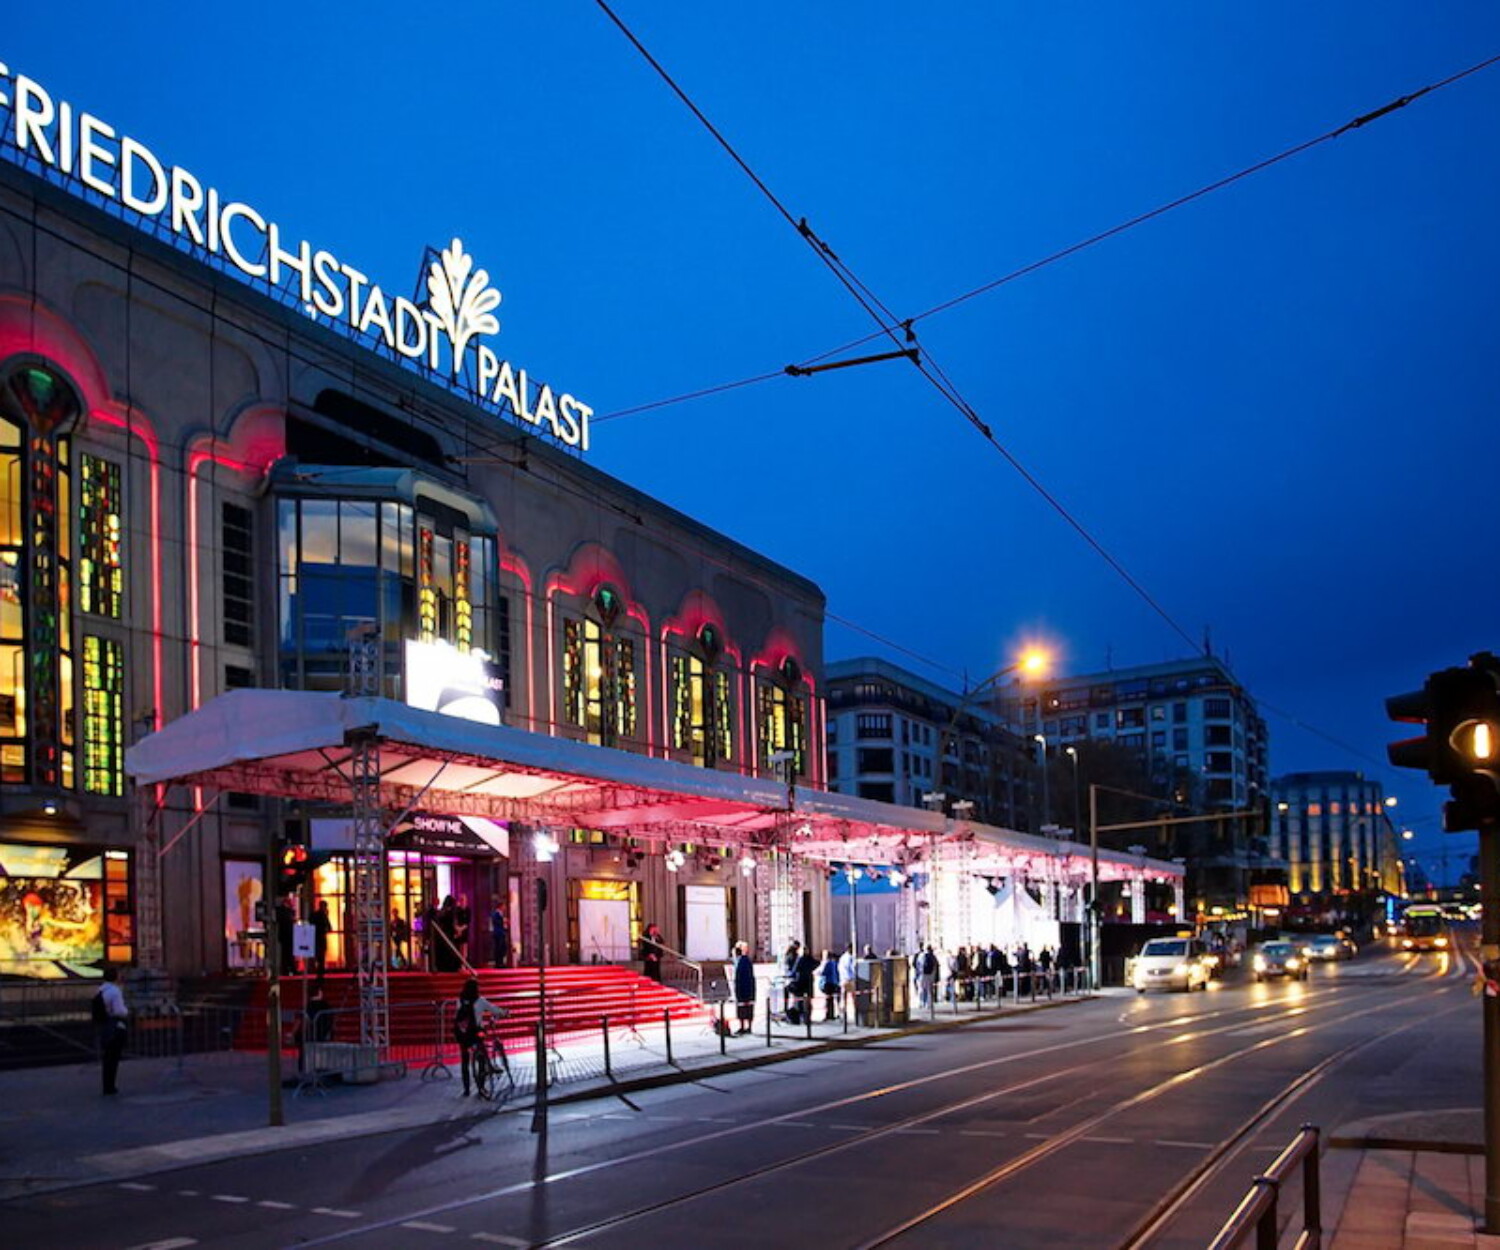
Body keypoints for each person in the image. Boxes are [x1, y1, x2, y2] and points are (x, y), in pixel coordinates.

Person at [453, 976, 507, 1096]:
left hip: (463, 1034)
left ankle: (466, 1089)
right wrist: (504, 1013)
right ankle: (481, 1086)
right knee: (481, 1057)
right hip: (476, 1032)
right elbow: (494, 1009)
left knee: (464, 1061)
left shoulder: (460, 1000)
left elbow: (457, 1015)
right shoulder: (480, 1001)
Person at [95, 967, 129, 1095]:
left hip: (104, 1024)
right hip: (114, 1025)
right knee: (113, 1057)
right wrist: (127, 1011)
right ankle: (111, 1086)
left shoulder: (101, 989)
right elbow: (120, 1010)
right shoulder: (115, 991)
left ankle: (107, 1085)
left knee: (107, 1057)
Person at [788, 944, 818, 1025]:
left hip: (805, 982)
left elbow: (795, 970)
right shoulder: (804, 959)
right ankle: (805, 1018)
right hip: (804, 982)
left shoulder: (803, 959)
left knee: (804, 1001)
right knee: (803, 1001)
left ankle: (805, 1018)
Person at [732, 941, 757, 1035]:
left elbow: (739, 978)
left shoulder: (740, 962)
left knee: (742, 1008)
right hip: (749, 988)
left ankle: (743, 1027)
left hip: (743, 989)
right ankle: (748, 1027)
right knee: (748, 1007)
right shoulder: (746, 960)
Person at [434, 896, 461, 972]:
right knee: (450, 952)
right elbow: (452, 924)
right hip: (449, 935)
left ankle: (443, 967)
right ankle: (451, 967)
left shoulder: (441, 912)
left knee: (444, 952)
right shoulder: (450, 913)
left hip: (442, 936)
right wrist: (457, 930)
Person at [818, 950, 840, 1022]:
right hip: (833, 982)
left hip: (827, 983)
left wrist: (817, 972)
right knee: (831, 999)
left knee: (828, 999)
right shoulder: (834, 963)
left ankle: (828, 1015)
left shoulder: (827, 963)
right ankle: (832, 1014)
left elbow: (823, 972)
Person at [312, 899, 332, 978]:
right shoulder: (323, 915)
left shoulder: (314, 915)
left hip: (315, 938)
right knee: (321, 957)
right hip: (321, 939)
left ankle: (318, 969)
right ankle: (320, 972)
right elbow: (329, 927)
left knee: (318, 956)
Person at [837, 945, 857, 1020]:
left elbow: (839, 968)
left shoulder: (842, 958)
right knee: (854, 998)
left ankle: (842, 1014)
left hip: (843, 979)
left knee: (843, 998)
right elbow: (853, 968)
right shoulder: (851, 957)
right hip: (850, 979)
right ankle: (856, 1014)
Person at [916, 944, 938, 1010]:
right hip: (930, 975)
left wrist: (919, 973)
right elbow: (935, 965)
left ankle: (921, 1003)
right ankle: (929, 1004)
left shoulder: (921, 955)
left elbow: (917, 965)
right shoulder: (933, 956)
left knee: (922, 989)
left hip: (922, 974)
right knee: (929, 990)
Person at [491, 903, 510, 967]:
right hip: (498, 933)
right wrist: (503, 921)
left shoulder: (501, 914)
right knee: (498, 948)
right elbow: (496, 922)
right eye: (504, 906)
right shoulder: (495, 914)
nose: (504, 908)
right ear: (500, 906)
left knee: (502, 948)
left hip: (502, 933)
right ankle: (498, 963)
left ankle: (501, 962)